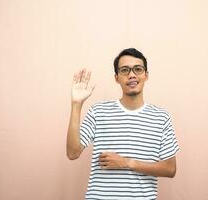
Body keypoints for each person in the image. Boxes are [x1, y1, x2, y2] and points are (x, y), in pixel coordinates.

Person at [66, 48, 180, 199]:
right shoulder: (98, 112)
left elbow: (170, 169)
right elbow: (72, 152)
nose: (132, 75)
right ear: (116, 77)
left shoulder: (161, 117)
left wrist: (126, 162)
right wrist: (76, 105)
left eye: (138, 69)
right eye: (125, 70)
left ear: (146, 75)